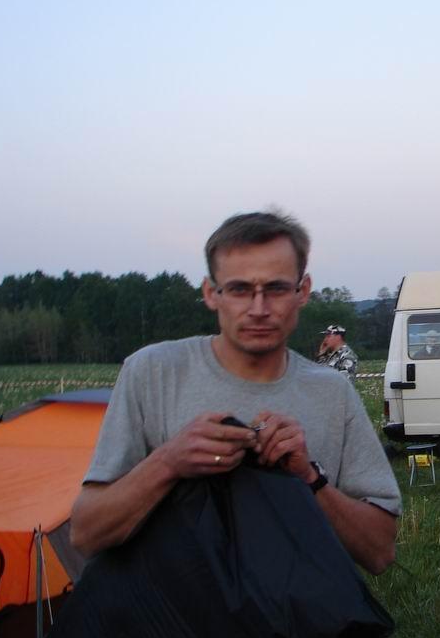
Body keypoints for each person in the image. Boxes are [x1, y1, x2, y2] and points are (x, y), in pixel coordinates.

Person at [70, 211, 400, 577]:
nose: (259, 310)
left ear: (302, 291)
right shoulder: (152, 372)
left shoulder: (332, 392)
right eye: (240, 289)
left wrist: (309, 478)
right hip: (168, 611)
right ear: (211, 294)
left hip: (296, 613)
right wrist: (169, 462)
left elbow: (380, 551)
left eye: (276, 289)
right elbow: (86, 534)